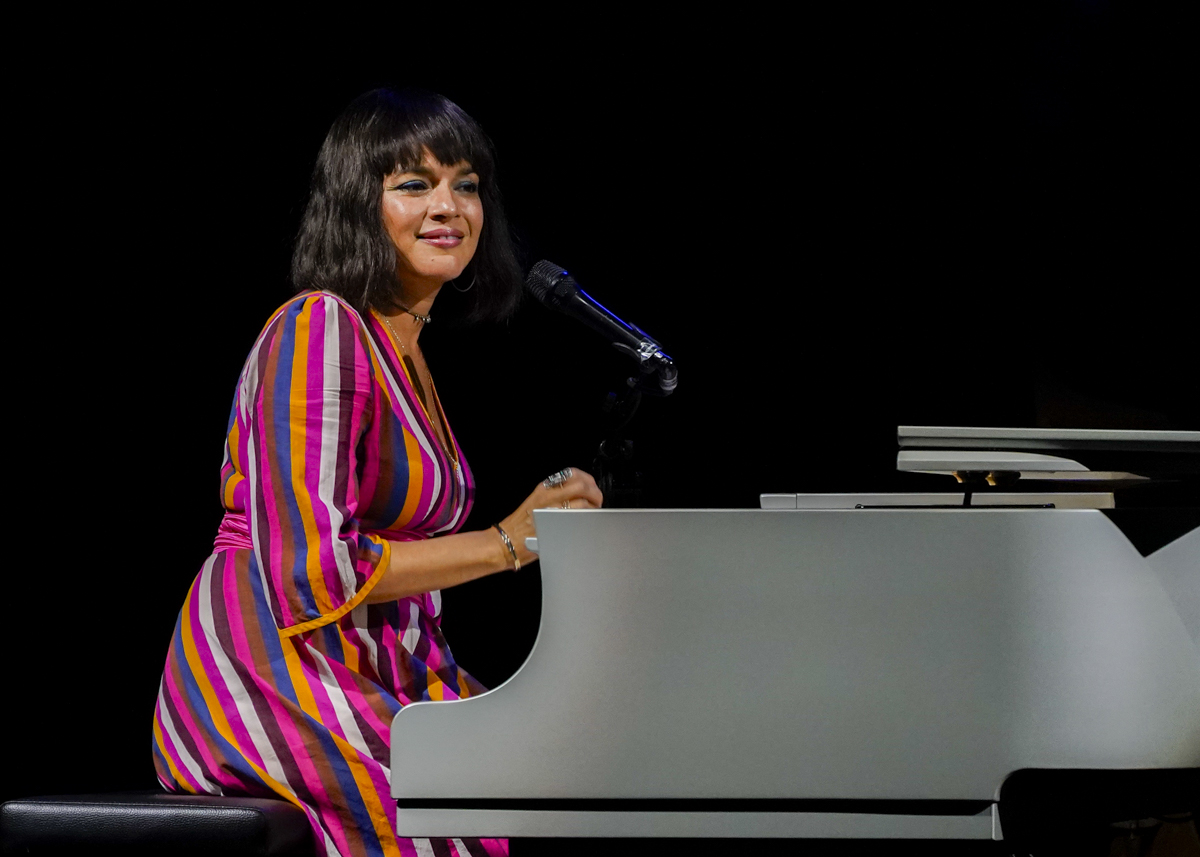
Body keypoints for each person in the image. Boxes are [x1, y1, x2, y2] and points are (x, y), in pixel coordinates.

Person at [151, 88, 603, 857]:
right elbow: (312, 576)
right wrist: (508, 542)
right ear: (360, 204)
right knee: (448, 829)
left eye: (466, 184)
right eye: (413, 184)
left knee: (543, 788)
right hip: (273, 669)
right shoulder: (318, 327)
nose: (449, 207)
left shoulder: (406, 352)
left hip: (379, 658)